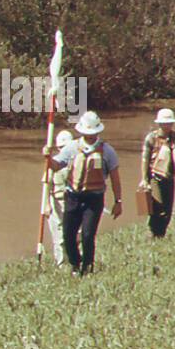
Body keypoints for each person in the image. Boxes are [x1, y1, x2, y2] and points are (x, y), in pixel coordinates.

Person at [44, 111, 123, 274]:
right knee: (68, 235)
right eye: (88, 133)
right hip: (73, 197)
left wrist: (118, 202)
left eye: (93, 133)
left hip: (94, 199)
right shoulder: (72, 147)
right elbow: (56, 165)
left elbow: (115, 178)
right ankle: (75, 263)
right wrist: (47, 157)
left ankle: (87, 266)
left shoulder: (107, 151)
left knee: (87, 235)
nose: (90, 136)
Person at [138, 108, 175, 237]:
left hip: (169, 178)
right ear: (159, 123)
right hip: (155, 177)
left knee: (168, 209)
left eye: (169, 123)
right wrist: (144, 179)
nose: (167, 126)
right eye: (164, 123)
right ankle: (153, 232)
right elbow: (145, 159)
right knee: (158, 207)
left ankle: (160, 234)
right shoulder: (151, 138)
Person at [47, 129, 75, 265]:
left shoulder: (77, 162)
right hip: (56, 202)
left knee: (76, 233)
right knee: (58, 235)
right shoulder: (53, 164)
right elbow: (46, 184)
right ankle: (61, 262)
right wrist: (46, 205)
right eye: (61, 148)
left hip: (72, 200)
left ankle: (75, 259)